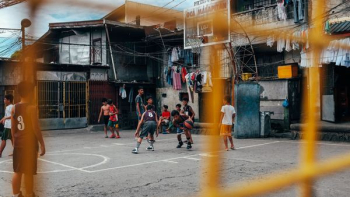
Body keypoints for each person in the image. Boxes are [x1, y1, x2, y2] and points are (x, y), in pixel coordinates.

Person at [11, 81, 46, 197]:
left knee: (17, 171)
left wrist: (14, 142)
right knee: (28, 172)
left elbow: (13, 128)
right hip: (29, 144)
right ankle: (30, 194)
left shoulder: (14, 108)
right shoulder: (32, 108)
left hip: (18, 144)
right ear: (30, 92)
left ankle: (16, 194)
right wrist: (42, 143)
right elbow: (36, 128)